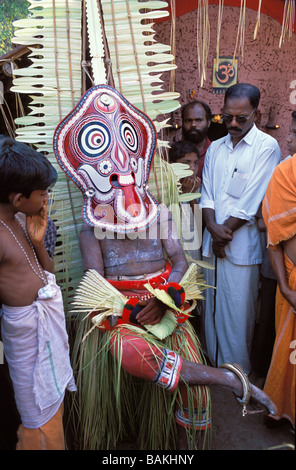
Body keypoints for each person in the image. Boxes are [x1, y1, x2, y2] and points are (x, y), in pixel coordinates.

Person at [53, 84, 276, 451]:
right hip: (121, 312)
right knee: (128, 351)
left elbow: (179, 263)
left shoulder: (158, 213)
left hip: (168, 303)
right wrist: (130, 309)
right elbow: (95, 283)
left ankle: (188, 433)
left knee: (194, 388)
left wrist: (167, 299)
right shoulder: (91, 227)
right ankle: (227, 379)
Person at [0, 137, 76, 450]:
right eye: (42, 193)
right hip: (25, 341)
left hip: (42, 335)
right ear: (18, 198)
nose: (46, 198)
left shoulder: (20, 220)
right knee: (37, 419)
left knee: (51, 410)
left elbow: (46, 276)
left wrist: (39, 240)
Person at [200, 83, 281, 375]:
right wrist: (212, 229)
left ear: (255, 114)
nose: (233, 124)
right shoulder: (216, 148)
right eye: (227, 117)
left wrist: (223, 234)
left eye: (241, 118)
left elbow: (252, 200)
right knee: (211, 309)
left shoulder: (266, 147)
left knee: (238, 313)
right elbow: (207, 193)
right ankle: (213, 369)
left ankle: (237, 377)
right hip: (214, 242)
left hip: (240, 245)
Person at [261, 155, 296, 429]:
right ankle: (282, 406)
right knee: (288, 349)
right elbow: (273, 239)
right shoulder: (286, 172)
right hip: (292, 280)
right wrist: (284, 287)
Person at [168, 140, 202, 261]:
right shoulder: (165, 187)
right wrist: (184, 194)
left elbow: (199, 223)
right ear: (172, 164)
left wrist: (191, 194)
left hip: (192, 246)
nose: (193, 168)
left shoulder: (196, 185)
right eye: (186, 163)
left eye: (196, 163)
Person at [181, 100, 212, 181]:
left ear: (208, 123)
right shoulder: (170, 153)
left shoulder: (216, 152)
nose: (193, 125)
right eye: (188, 120)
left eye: (198, 120)